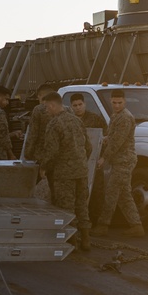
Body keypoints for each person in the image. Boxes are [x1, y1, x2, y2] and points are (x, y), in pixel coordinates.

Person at [41, 92, 92, 251]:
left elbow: (52, 152)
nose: (46, 111)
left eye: (46, 108)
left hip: (64, 174)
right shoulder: (77, 121)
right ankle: (86, 240)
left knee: (66, 207)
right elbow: (88, 147)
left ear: (51, 105)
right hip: (81, 171)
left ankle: (72, 243)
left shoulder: (54, 124)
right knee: (82, 206)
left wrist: (44, 167)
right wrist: (80, 162)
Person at [90, 89, 144, 237]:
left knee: (112, 193)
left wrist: (104, 158)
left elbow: (117, 143)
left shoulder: (125, 117)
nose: (117, 105)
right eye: (114, 102)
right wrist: (107, 137)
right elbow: (114, 137)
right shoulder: (116, 115)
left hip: (124, 161)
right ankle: (136, 225)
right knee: (123, 195)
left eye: (120, 103)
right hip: (121, 160)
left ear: (124, 102)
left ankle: (103, 225)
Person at [70, 92, 107, 219]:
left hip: (94, 161)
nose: (78, 107)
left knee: (97, 191)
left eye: (80, 104)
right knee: (77, 192)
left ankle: (95, 219)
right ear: (71, 106)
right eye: (75, 105)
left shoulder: (95, 119)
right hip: (75, 163)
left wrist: (103, 157)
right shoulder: (69, 120)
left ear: (84, 104)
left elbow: (105, 140)